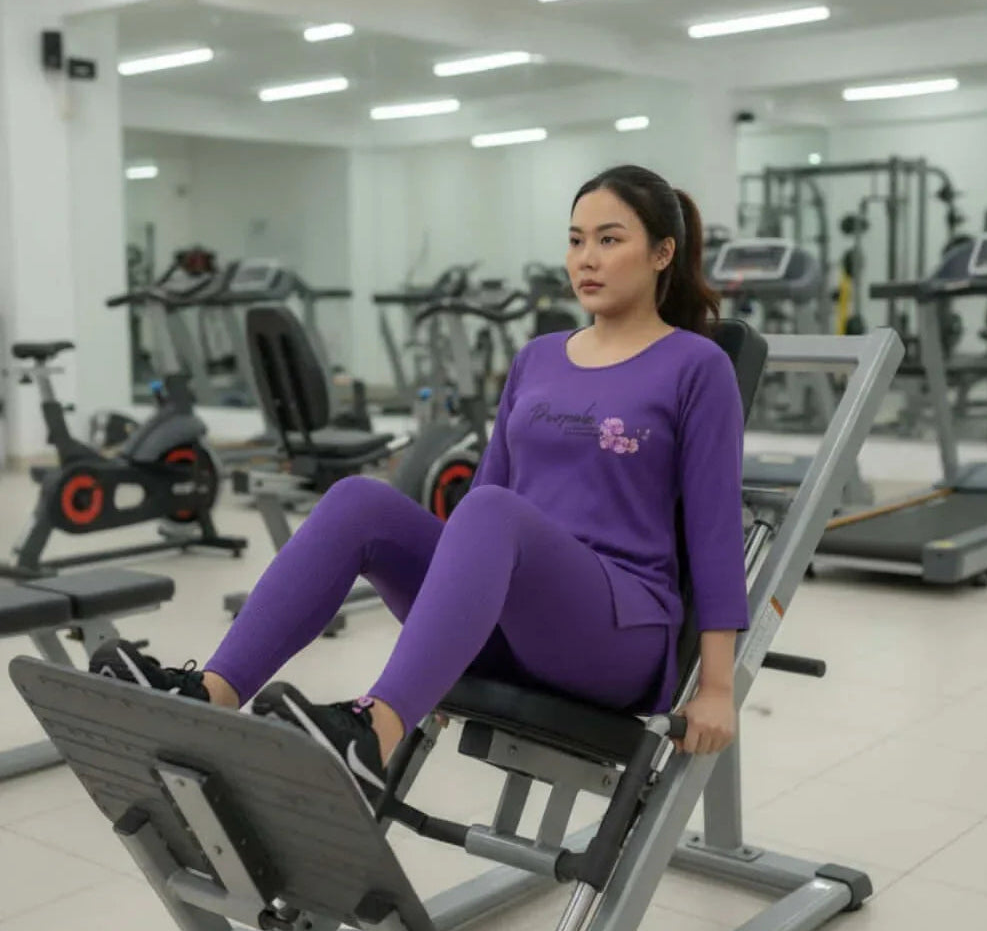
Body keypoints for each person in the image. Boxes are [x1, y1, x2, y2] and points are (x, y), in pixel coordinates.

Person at [91, 164, 750, 800]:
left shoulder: (696, 366)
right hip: (509, 629)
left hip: (616, 634)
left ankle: (369, 736)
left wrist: (717, 688)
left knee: (492, 511)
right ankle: (210, 693)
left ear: (663, 253)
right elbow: (485, 505)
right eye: (576, 241)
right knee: (360, 500)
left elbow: (716, 533)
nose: (587, 259)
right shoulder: (538, 358)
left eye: (610, 240)